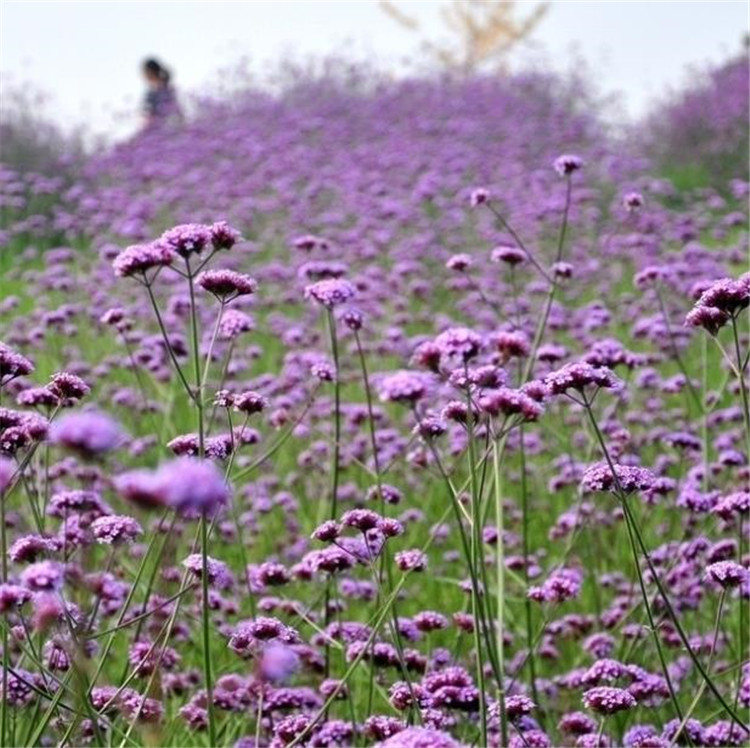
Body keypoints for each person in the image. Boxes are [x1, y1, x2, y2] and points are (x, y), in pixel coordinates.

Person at [141, 58, 180, 126]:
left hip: (163, 127)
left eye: (145, 73)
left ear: (150, 72)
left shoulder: (157, 91)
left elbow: (150, 113)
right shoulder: (166, 88)